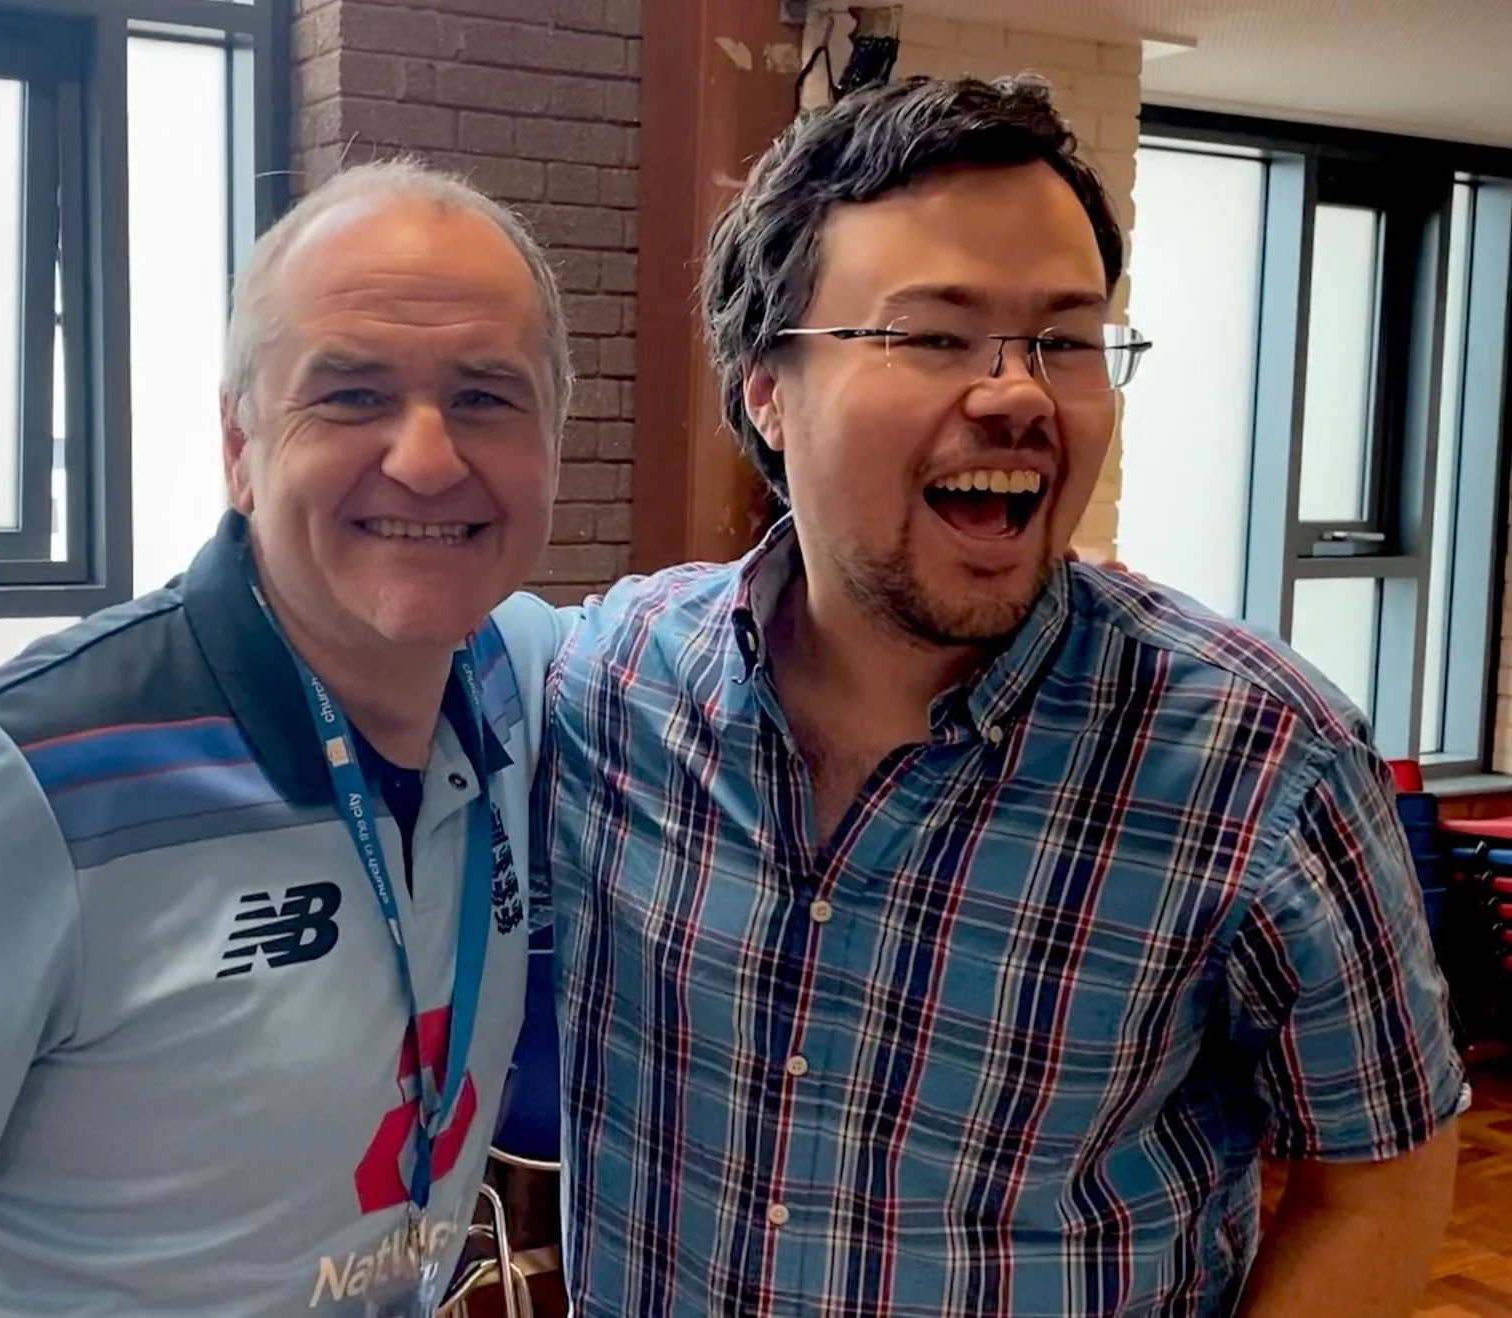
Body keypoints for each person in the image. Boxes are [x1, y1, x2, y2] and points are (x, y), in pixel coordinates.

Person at [536, 75, 1464, 1316]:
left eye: (1067, 341)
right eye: (934, 335)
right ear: (767, 388)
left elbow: (1382, 1177)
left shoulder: (1261, 759)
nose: (1020, 393)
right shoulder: (611, 683)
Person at [0, 158, 571, 1317]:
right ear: (240, 446)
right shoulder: (20, 786)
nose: (429, 457)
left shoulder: (522, 684)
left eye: (486, 397)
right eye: (351, 395)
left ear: (553, 444)